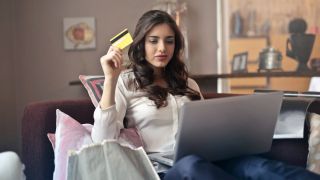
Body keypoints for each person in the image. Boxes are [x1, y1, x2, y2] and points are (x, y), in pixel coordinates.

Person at [92, 10, 320, 180]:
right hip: (167, 170)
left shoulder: (187, 83)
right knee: (192, 166)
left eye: (169, 41)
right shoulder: (126, 82)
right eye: (154, 41)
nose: (162, 48)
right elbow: (102, 140)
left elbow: (207, 129)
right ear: (141, 44)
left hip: (211, 160)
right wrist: (110, 79)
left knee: (260, 168)